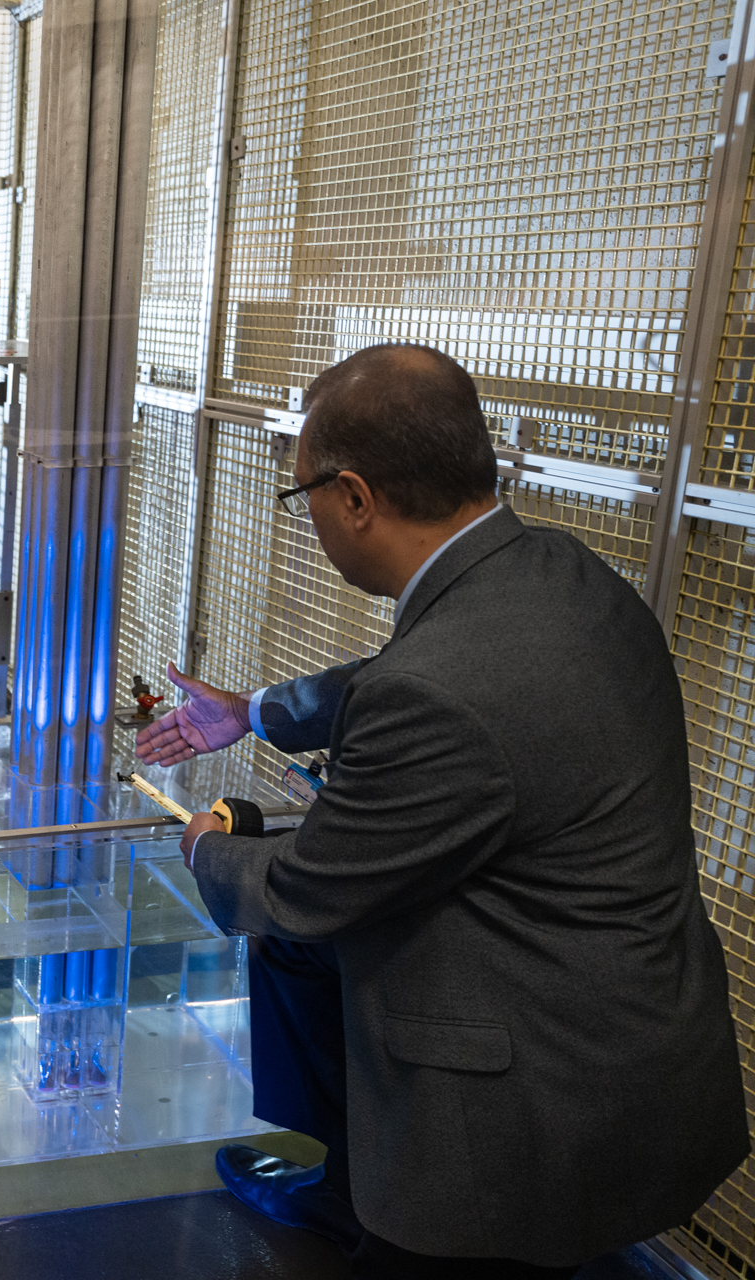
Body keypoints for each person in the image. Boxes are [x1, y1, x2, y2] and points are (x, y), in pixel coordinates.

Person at [135, 343, 745, 1278]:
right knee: (303, 960)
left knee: (293, 924)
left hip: (540, 1107)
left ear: (353, 497)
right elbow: (397, 681)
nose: (309, 523)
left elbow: (303, 890)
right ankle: (349, 1184)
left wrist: (206, 844)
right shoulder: (553, 571)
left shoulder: (437, 694)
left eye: (302, 501)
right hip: (648, 1032)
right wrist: (250, 711)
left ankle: (397, 1204)